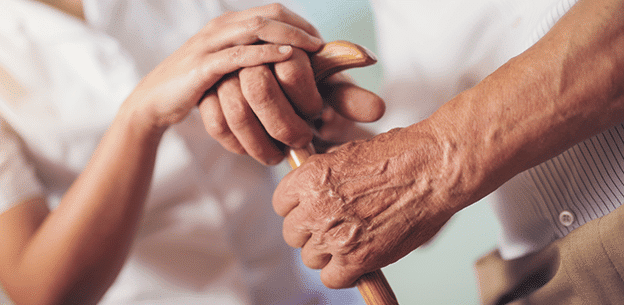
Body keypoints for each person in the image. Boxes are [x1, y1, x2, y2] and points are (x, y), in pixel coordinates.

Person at [0, 0, 384, 304]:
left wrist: (316, 108)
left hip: (310, 288)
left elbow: (335, 116)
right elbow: (39, 291)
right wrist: (141, 116)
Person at [272, 0, 624, 303]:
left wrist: (436, 162)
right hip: (534, 280)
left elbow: (425, 160)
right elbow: (410, 145)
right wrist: (331, 129)